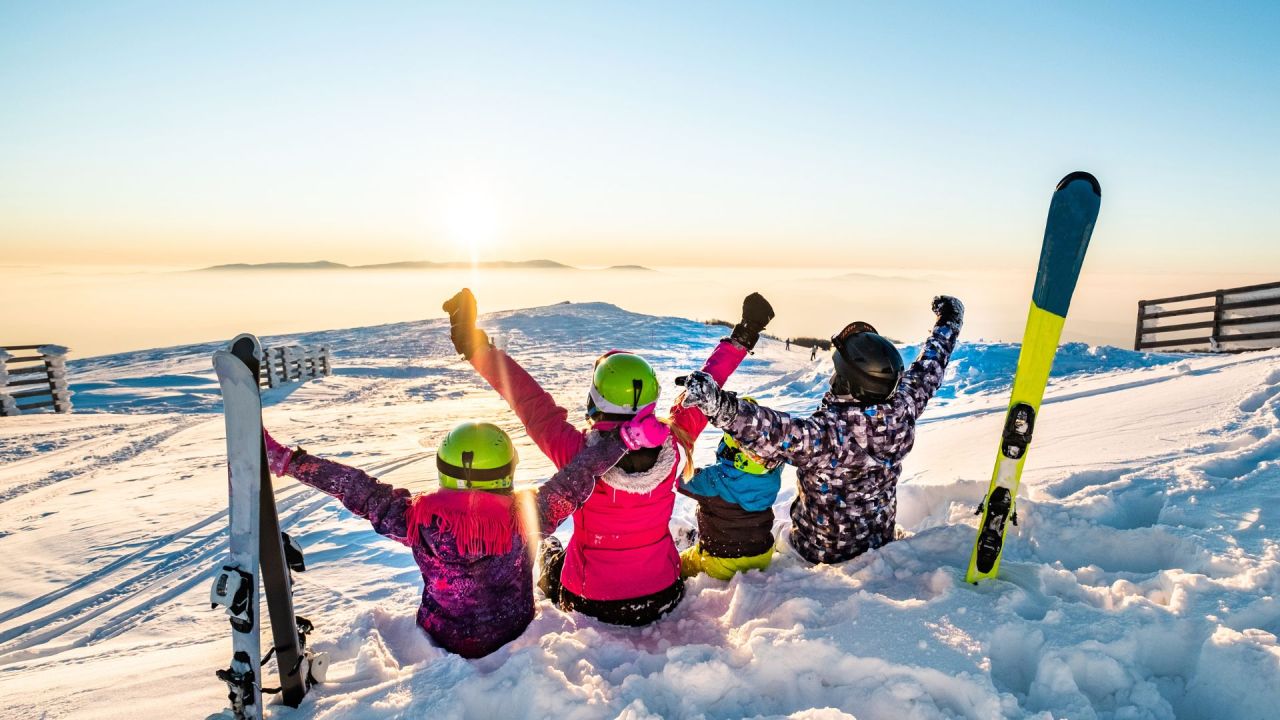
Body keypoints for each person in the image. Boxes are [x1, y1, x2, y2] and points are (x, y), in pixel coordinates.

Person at [443, 289, 774, 626]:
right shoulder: (674, 443)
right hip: (663, 592)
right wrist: (744, 334)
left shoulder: (577, 455)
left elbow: (529, 401)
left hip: (590, 600)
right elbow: (707, 387)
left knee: (549, 551)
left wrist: (475, 346)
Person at [261, 411, 669, 658]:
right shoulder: (527, 517)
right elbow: (578, 477)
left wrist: (290, 462)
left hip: (443, 636)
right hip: (513, 630)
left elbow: (355, 488)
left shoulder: (415, 519)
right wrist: (624, 440)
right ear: (507, 471)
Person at [677, 295, 964, 565]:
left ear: (849, 382)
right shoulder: (903, 407)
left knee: (772, 538)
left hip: (818, 551)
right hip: (879, 538)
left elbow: (772, 431)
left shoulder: (829, 435)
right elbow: (930, 367)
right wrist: (948, 322)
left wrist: (719, 405)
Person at [677, 397, 785, 580]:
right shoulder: (771, 475)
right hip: (762, 555)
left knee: (680, 564)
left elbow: (680, 480)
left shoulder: (713, 480)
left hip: (721, 562)